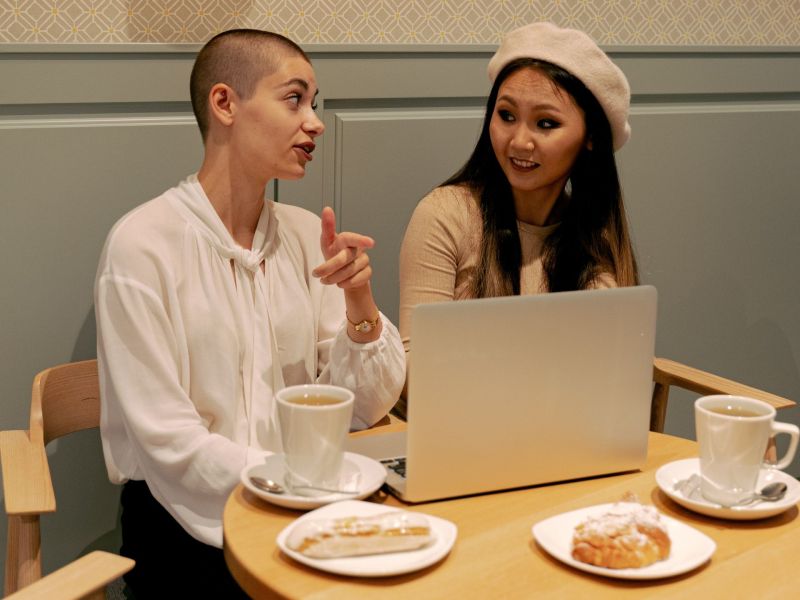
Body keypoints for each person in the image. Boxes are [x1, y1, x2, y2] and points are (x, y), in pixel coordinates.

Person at [94, 29, 404, 597]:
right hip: (186, 528)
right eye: (295, 99)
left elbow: (364, 408)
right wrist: (297, 484)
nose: (315, 122)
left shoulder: (310, 236)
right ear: (225, 103)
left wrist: (360, 303)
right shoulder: (140, 247)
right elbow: (168, 444)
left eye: (315, 103)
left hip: (308, 503)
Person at [397, 22, 638, 417]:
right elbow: (413, 375)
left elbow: (604, 391)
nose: (519, 142)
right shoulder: (445, 215)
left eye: (546, 124)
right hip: (457, 441)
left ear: (590, 136)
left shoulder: (595, 245)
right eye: (506, 115)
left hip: (565, 448)